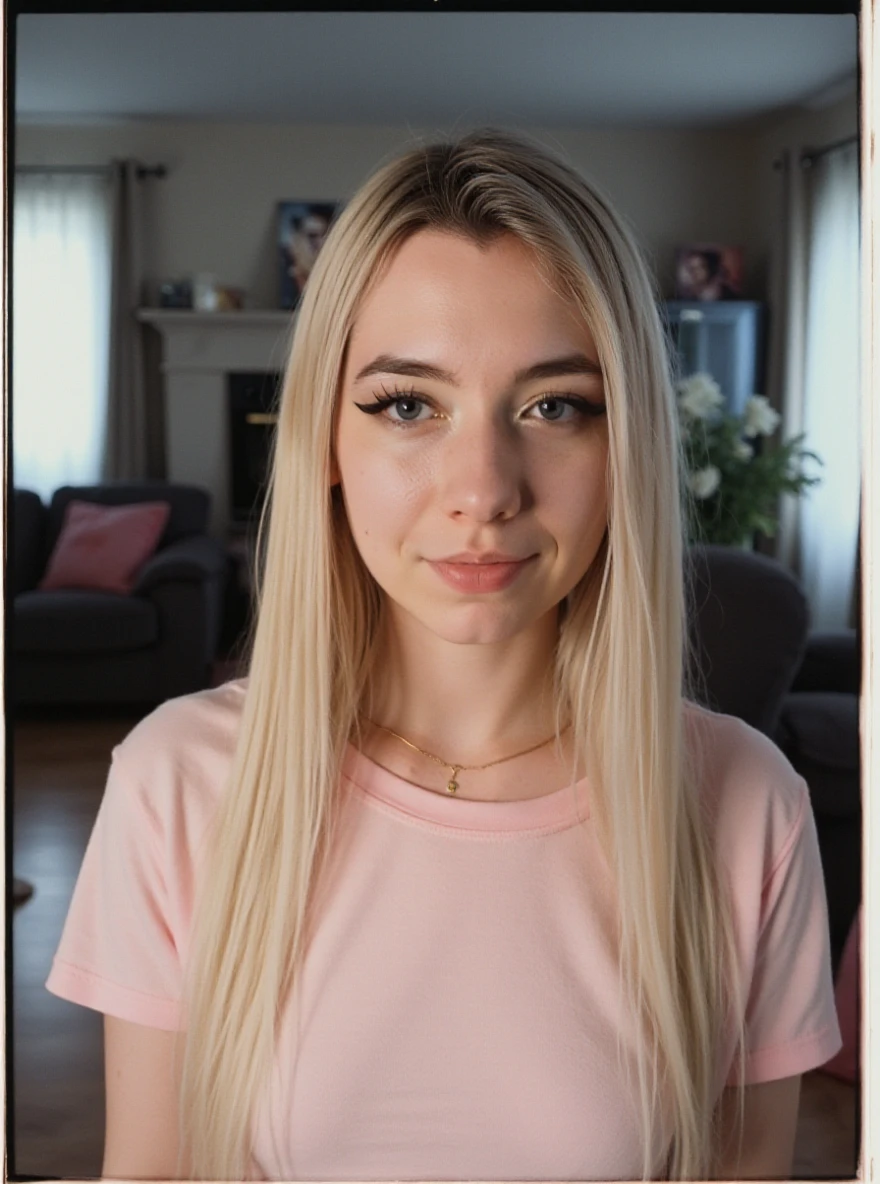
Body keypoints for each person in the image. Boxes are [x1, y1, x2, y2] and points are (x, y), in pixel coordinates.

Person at [46, 129, 841, 1181]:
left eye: (555, 405)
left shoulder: (745, 800)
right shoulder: (179, 781)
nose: (483, 489)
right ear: (328, 440)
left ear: (628, 445)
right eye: (408, 405)